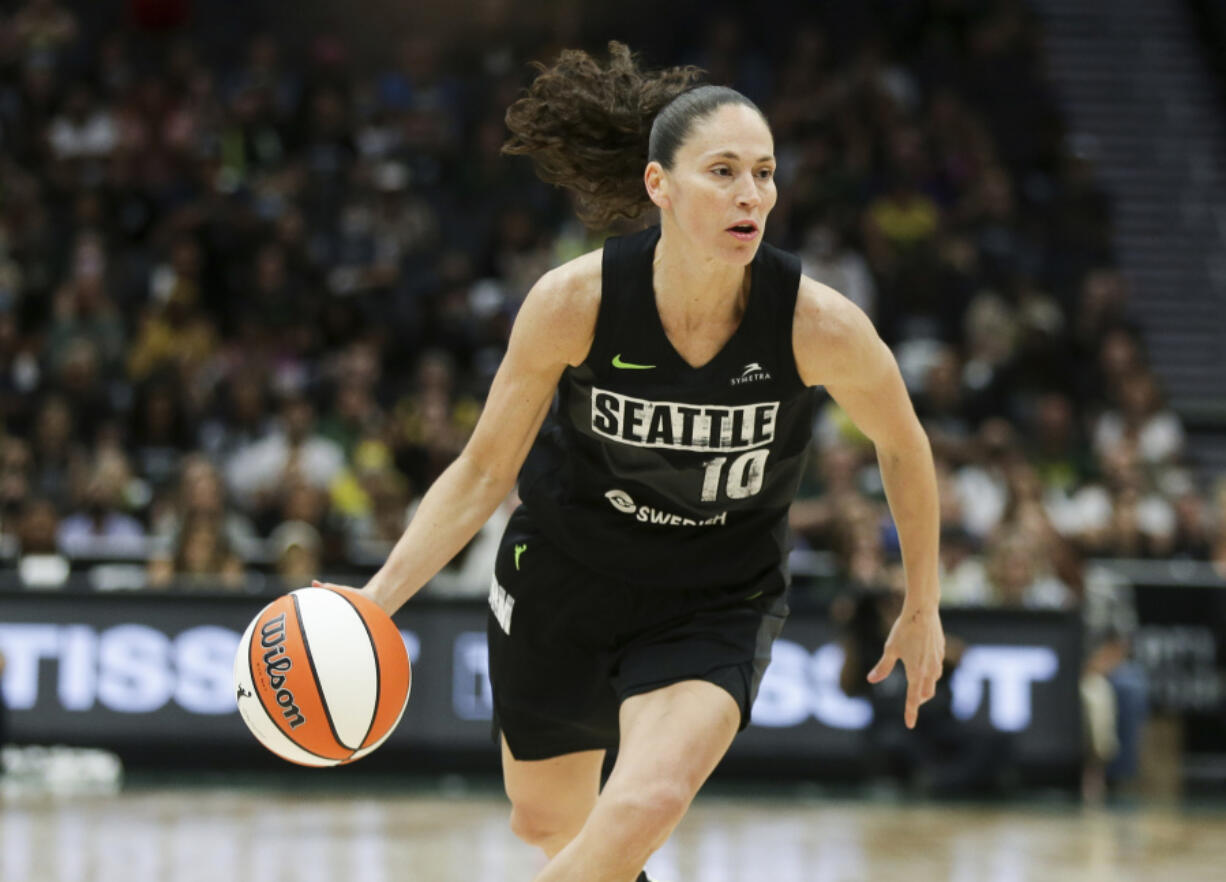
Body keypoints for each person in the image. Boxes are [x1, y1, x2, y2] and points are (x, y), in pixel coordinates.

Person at [319, 43, 945, 882]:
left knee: (644, 806)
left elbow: (903, 444)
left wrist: (924, 602)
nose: (750, 194)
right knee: (551, 823)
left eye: (763, 173)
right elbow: (481, 470)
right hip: (565, 574)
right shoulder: (573, 302)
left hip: (714, 594)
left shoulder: (817, 323)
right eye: (722, 171)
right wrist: (374, 602)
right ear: (658, 185)